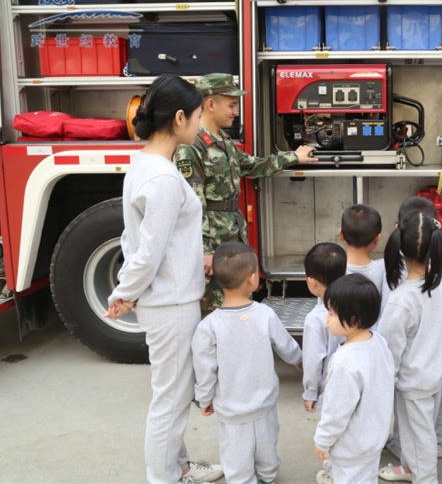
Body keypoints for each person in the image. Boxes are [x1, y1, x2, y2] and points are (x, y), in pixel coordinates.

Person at [105, 74, 222, 484]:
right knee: (170, 402)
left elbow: (132, 238)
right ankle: (165, 477)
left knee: (171, 396)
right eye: (195, 116)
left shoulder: (144, 165)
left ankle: (180, 467)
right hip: (171, 304)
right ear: (178, 118)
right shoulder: (165, 179)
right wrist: (125, 293)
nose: (199, 122)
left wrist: (131, 289)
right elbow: (149, 252)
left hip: (166, 297)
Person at [173, 73, 317, 311]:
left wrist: (294, 156)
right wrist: (206, 251)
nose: (235, 111)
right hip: (214, 244)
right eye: (231, 104)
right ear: (210, 104)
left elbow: (252, 165)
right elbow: (193, 205)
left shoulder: (223, 140)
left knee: (235, 305)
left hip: (231, 237)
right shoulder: (193, 146)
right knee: (214, 309)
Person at [191, 242, 303, 484]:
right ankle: (267, 478)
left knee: (236, 458)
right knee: (267, 451)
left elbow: (205, 369)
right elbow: (286, 345)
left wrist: (204, 398)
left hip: (232, 410)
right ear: (253, 279)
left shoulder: (208, 327)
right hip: (264, 404)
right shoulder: (265, 314)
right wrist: (299, 361)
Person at [377, 212, 442, 484]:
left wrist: (386, 381)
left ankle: (426, 477)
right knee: (414, 430)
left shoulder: (401, 300)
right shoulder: (438, 282)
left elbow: (389, 350)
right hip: (434, 371)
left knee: (419, 433)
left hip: (413, 380)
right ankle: (411, 467)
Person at [313, 274, 395, 484]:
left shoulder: (344, 362)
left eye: (331, 312)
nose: (326, 317)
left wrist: (322, 441)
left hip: (351, 447)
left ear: (352, 321)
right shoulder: (378, 341)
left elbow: (336, 411)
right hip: (373, 438)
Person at [302, 243, 347, 413]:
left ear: (311, 282)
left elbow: (313, 360)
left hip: (331, 390)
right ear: (345, 274)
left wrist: (310, 392)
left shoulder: (314, 319)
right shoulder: (356, 304)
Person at [340, 204, 389, 326]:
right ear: (377, 239)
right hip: (375, 341)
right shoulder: (385, 268)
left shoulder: (334, 269)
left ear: (341, 235)